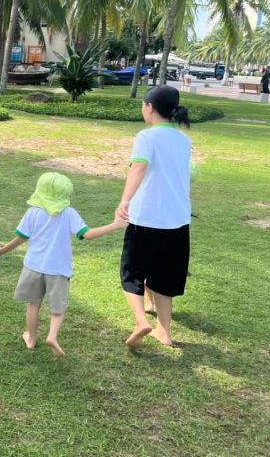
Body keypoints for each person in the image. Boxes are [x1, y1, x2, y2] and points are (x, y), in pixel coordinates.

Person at [0, 173, 126, 358]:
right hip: (58, 270)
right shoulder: (69, 213)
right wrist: (115, 225)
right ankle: (52, 336)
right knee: (57, 310)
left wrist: (0, 251)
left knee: (33, 304)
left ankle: (31, 338)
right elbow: (86, 234)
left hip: (33, 267)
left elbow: (20, 239)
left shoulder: (33, 212)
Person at [116, 85, 192, 350]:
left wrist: (124, 201)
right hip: (177, 220)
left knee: (132, 271)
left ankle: (140, 322)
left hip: (146, 218)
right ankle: (164, 331)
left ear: (149, 107)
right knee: (165, 274)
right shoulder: (184, 139)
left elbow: (138, 167)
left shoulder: (146, 137)